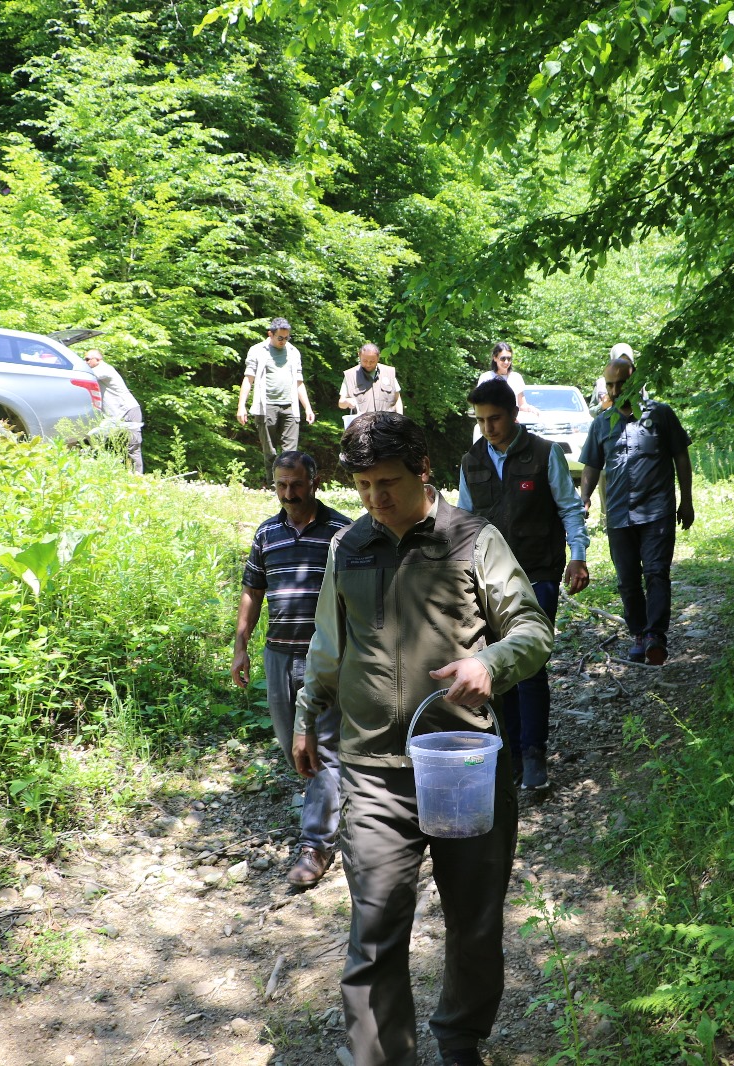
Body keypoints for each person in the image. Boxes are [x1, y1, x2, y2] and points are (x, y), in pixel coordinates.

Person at [294, 412, 553, 1066]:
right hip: (374, 771)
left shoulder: (473, 539)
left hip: (464, 766)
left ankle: (461, 1041)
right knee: (375, 925)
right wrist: (306, 714)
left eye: (387, 482)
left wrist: (489, 663)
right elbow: (328, 645)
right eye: (362, 485)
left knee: (474, 922)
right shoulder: (348, 546)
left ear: (423, 471)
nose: (374, 498)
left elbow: (532, 629)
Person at [458, 377, 589, 791]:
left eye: (495, 418)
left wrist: (578, 555)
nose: (488, 428)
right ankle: (510, 752)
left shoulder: (545, 453)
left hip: (538, 573)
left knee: (529, 665)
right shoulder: (471, 461)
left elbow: (569, 508)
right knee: (497, 668)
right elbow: (464, 523)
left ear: (514, 414)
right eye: (481, 420)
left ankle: (534, 753)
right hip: (489, 582)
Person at [231, 452, 353, 886]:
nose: (289, 493)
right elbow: (253, 590)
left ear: (314, 481)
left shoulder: (342, 532)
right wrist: (240, 646)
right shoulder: (267, 533)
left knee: (324, 747)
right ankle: (338, 805)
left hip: (328, 657)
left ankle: (315, 845)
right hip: (279, 655)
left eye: (296, 484)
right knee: (294, 747)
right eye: (281, 485)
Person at [578, 356, 694, 665]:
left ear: (637, 382)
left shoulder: (661, 415)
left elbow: (681, 457)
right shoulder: (601, 423)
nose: (615, 391)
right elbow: (592, 465)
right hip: (619, 514)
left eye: (622, 384)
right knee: (627, 580)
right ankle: (639, 634)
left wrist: (686, 500)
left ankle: (656, 635)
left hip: (657, 511)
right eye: (610, 385)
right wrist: (585, 497)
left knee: (656, 572)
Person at [236, 318, 316, 481]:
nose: (283, 341)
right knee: (270, 452)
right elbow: (248, 379)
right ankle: (274, 484)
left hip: (290, 407)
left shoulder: (293, 352)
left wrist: (307, 408)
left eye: (287, 338)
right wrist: (241, 406)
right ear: (270, 334)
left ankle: (289, 484)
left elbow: (299, 383)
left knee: (291, 454)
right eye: (280, 338)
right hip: (266, 406)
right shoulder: (257, 350)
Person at [83, 349, 145, 474]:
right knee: (110, 443)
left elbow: (87, 376)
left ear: (98, 359)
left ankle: (137, 477)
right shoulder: (98, 370)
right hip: (115, 416)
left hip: (128, 410)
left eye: (88, 359)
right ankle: (125, 475)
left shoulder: (104, 369)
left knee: (133, 446)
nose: (85, 362)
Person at [338, 342, 403, 423]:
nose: (368, 364)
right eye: (365, 361)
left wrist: (400, 420)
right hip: (363, 427)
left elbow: (397, 399)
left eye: (372, 361)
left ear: (378, 358)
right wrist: (347, 402)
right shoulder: (350, 376)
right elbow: (341, 403)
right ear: (359, 355)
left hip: (388, 425)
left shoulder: (389, 373)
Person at [475, 341, 528, 409]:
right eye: (503, 359)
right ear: (495, 358)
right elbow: (479, 404)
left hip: (512, 415)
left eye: (509, 359)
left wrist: (531, 409)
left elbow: (522, 405)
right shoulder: (486, 377)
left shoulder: (516, 377)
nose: (506, 362)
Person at [592, 341, 635, 412]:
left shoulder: (638, 382)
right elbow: (591, 411)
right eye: (619, 360)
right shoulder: (601, 383)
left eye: (627, 361)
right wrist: (602, 406)